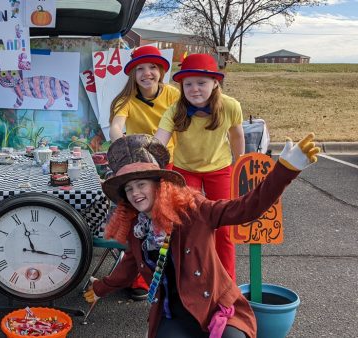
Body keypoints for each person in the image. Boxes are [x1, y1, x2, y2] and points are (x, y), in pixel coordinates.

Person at [84, 133, 319, 338]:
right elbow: (129, 266)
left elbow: (247, 208)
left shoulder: (194, 211)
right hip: (173, 314)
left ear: (160, 185)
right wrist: (100, 288)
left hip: (216, 308)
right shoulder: (138, 229)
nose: (135, 194)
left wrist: (285, 170)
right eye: (129, 189)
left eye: (141, 184)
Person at [153, 53, 245, 281]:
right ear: (182, 86)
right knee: (186, 224)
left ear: (215, 83)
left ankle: (226, 280)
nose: (195, 89)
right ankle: (190, 278)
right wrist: (147, 161)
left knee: (223, 226)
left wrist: (240, 163)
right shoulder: (175, 111)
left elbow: (236, 137)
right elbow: (158, 142)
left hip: (220, 168)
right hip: (185, 170)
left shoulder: (230, 106)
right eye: (188, 84)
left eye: (202, 83)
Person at [108, 45, 180, 300]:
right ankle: (139, 277)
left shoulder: (172, 94)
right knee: (139, 221)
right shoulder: (125, 99)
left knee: (165, 221)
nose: (146, 73)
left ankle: (171, 272)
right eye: (140, 68)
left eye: (152, 68)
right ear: (133, 73)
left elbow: (180, 124)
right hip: (139, 165)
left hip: (167, 164)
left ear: (161, 71)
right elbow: (116, 127)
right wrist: (126, 147)